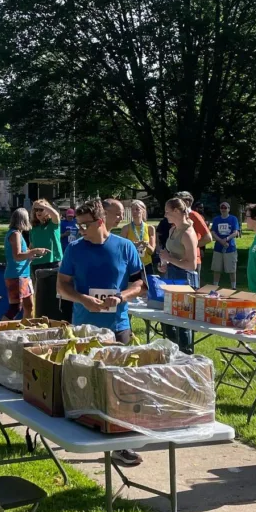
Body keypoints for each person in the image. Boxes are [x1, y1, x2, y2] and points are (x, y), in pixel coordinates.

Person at [57, 198, 146, 467]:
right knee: (85, 385)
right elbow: (62, 287)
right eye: (78, 225)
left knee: (123, 388)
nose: (80, 230)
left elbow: (140, 284)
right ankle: (85, 435)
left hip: (119, 327)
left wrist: (121, 297)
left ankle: (122, 445)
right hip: (85, 329)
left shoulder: (125, 246)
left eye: (85, 225)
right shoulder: (74, 250)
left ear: (100, 222)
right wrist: (83, 299)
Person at [158, 197, 199, 354]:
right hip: (170, 277)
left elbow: (192, 265)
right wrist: (164, 263)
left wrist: (170, 259)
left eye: (167, 211)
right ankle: (171, 353)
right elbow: (171, 255)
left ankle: (186, 355)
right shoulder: (172, 229)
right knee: (167, 320)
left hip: (185, 280)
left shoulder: (188, 233)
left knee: (182, 323)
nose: (165, 215)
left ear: (176, 211)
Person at [4, 208, 48, 319]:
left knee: (29, 306)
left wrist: (33, 254)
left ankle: (26, 329)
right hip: (16, 275)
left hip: (24, 275)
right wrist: (34, 251)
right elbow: (17, 256)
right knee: (15, 308)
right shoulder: (15, 234)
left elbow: (23, 254)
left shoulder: (18, 234)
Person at [175, 191, 212, 283]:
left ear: (187, 202)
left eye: (178, 201)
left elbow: (208, 238)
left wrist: (191, 246)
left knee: (191, 291)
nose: (175, 204)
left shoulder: (194, 215)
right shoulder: (177, 216)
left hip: (192, 260)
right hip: (177, 259)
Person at [120, 200, 156, 277]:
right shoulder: (126, 228)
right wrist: (133, 245)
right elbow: (121, 249)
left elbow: (152, 251)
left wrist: (146, 245)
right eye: (132, 209)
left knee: (148, 288)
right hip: (132, 264)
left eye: (137, 209)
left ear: (143, 211)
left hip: (146, 264)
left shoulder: (150, 228)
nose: (134, 212)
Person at [210, 202, 240, 289]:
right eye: (222, 207)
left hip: (230, 247)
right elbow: (213, 232)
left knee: (232, 269)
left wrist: (226, 239)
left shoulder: (233, 219)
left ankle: (233, 287)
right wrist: (220, 240)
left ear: (229, 209)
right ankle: (215, 286)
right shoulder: (216, 219)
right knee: (216, 269)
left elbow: (235, 232)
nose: (223, 209)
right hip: (218, 248)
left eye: (225, 208)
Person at [29, 199, 63, 272]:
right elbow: (31, 245)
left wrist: (43, 206)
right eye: (36, 210)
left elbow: (56, 215)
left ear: (47, 210)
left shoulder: (53, 223)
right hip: (37, 263)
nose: (38, 212)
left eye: (41, 209)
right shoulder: (33, 227)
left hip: (53, 261)